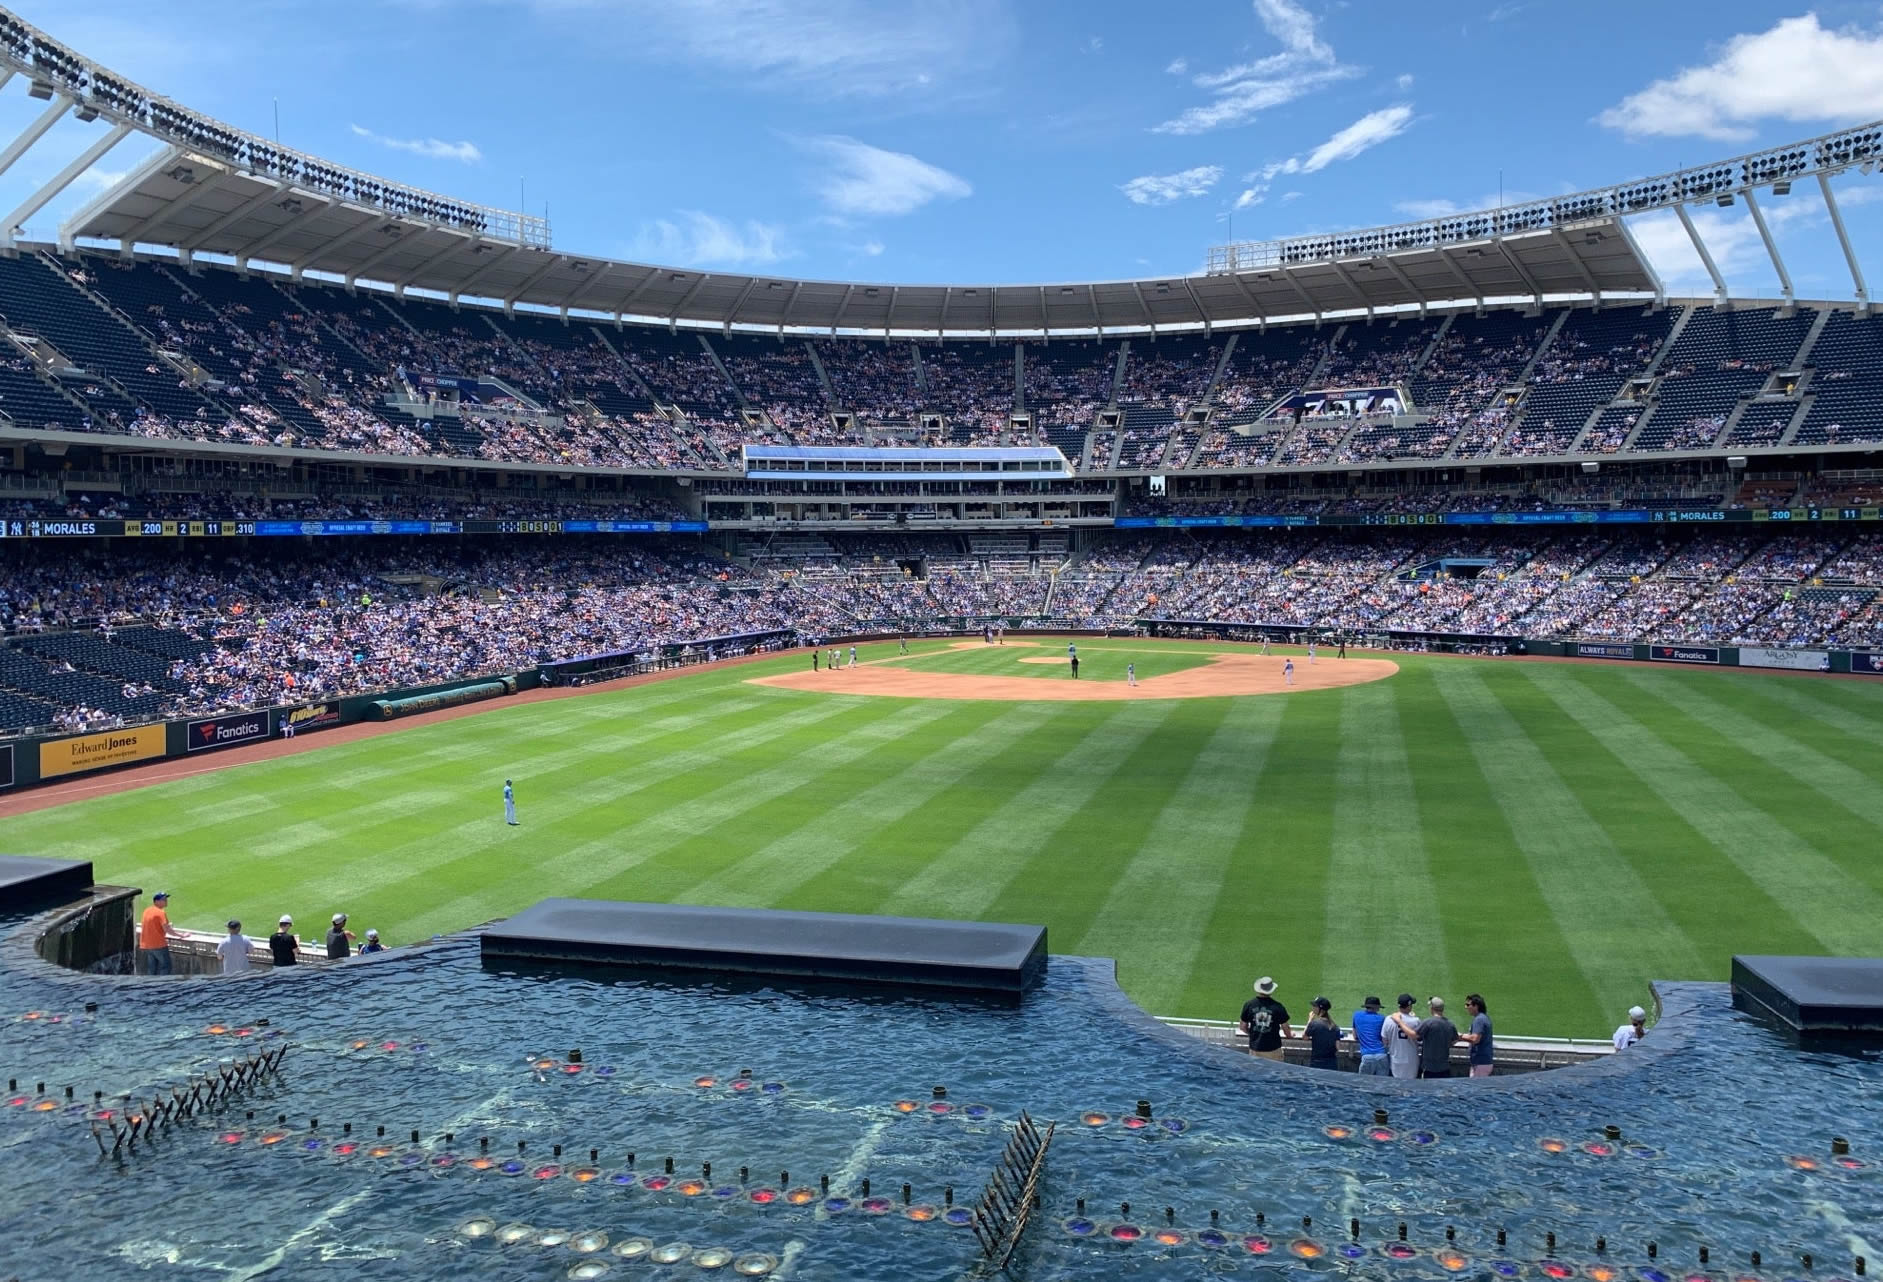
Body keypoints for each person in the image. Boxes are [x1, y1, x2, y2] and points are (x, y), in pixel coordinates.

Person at [1239, 977, 1291, 1061]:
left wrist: (1252, 1033)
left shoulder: (1249, 1005)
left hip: (1254, 1050)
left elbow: (1242, 1026)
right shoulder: (1278, 1007)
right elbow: (1286, 1029)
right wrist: (1290, 1036)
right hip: (1273, 1050)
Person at [137, 891, 180, 976]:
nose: (166, 901)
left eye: (166, 899)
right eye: (163, 900)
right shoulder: (161, 913)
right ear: (156, 901)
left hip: (147, 945)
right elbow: (167, 929)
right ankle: (162, 986)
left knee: (152, 968)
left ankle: (151, 985)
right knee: (166, 966)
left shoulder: (147, 911)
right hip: (158, 945)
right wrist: (181, 935)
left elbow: (151, 926)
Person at [1417, 996, 1458, 1080]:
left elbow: (1416, 1036)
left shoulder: (1428, 1022)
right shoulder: (1450, 1024)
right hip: (1444, 1067)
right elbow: (1455, 1040)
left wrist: (1400, 1022)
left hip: (1428, 1068)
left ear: (1432, 1008)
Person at [1384, 993, 1422, 1079]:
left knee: (1396, 1086)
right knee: (1410, 1086)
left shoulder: (1388, 1019)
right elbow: (1420, 1039)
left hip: (1396, 1058)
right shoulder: (1415, 1021)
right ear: (1408, 1006)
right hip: (1411, 1059)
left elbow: (1384, 1040)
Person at [1351, 995, 1390, 1076]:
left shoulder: (1357, 1015)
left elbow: (1355, 1036)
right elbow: (1384, 1037)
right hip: (1381, 1055)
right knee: (1383, 1085)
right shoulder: (1382, 1018)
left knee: (1364, 1084)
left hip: (1367, 1056)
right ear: (1376, 1007)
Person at [1461, 993, 1494, 1077]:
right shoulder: (1484, 1018)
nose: (1466, 1007)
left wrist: (1459, 1036)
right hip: (1482, 1062)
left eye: (1468, 1005)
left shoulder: (1479, 1020)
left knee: (1476, 1088)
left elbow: (1475, 1039)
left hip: (1480, 1063)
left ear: (1476, 1006)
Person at [1305, 996, 1341, 1070]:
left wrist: (1309, 1020)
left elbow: (1305, 1037)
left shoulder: (1314, 1024)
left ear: (1321, 1009)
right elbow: (1338, 1047)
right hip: (1332, 1063)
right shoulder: (1335, 1026)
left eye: (1315, 1006)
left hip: (1317, 1063)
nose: (1313, 1008)